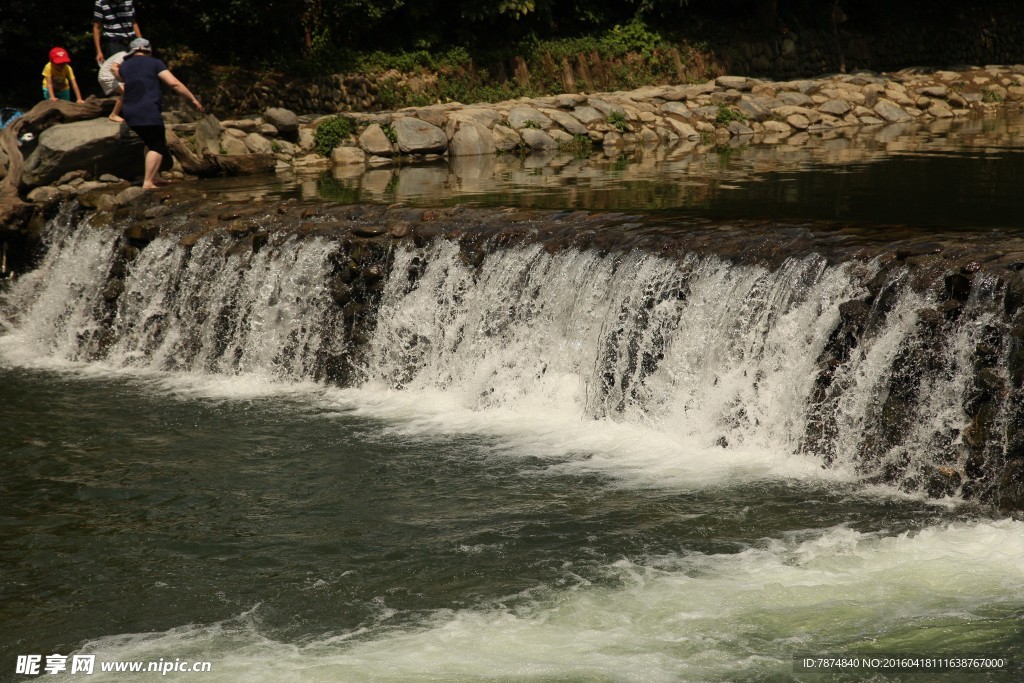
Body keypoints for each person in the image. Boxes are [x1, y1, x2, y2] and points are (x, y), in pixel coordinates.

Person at [118, 38, 203, 189]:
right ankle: (148, 182)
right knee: (157, 145)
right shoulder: (154, 63)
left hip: (129, 111)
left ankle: (154, 176)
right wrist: (192, 99)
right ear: (148, 50)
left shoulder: (125, 66)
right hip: (148, 110)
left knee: (149, 142)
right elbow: (173, 83)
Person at [93, 0, 141, 65]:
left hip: (131, 41)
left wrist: (140, 42)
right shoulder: (101, 3)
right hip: (114, 43)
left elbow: (133, 22)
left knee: (134, 67)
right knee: (116, 68)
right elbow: (97, 27)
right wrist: (99, 51)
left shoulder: (129, 2)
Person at [98, 50, 129, 122]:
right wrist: (122, 80)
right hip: (107, 76)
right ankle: (113, 115)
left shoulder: (128, 58)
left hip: (111, 76)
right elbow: (113, 67)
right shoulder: (123, 54)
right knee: (127, 92)